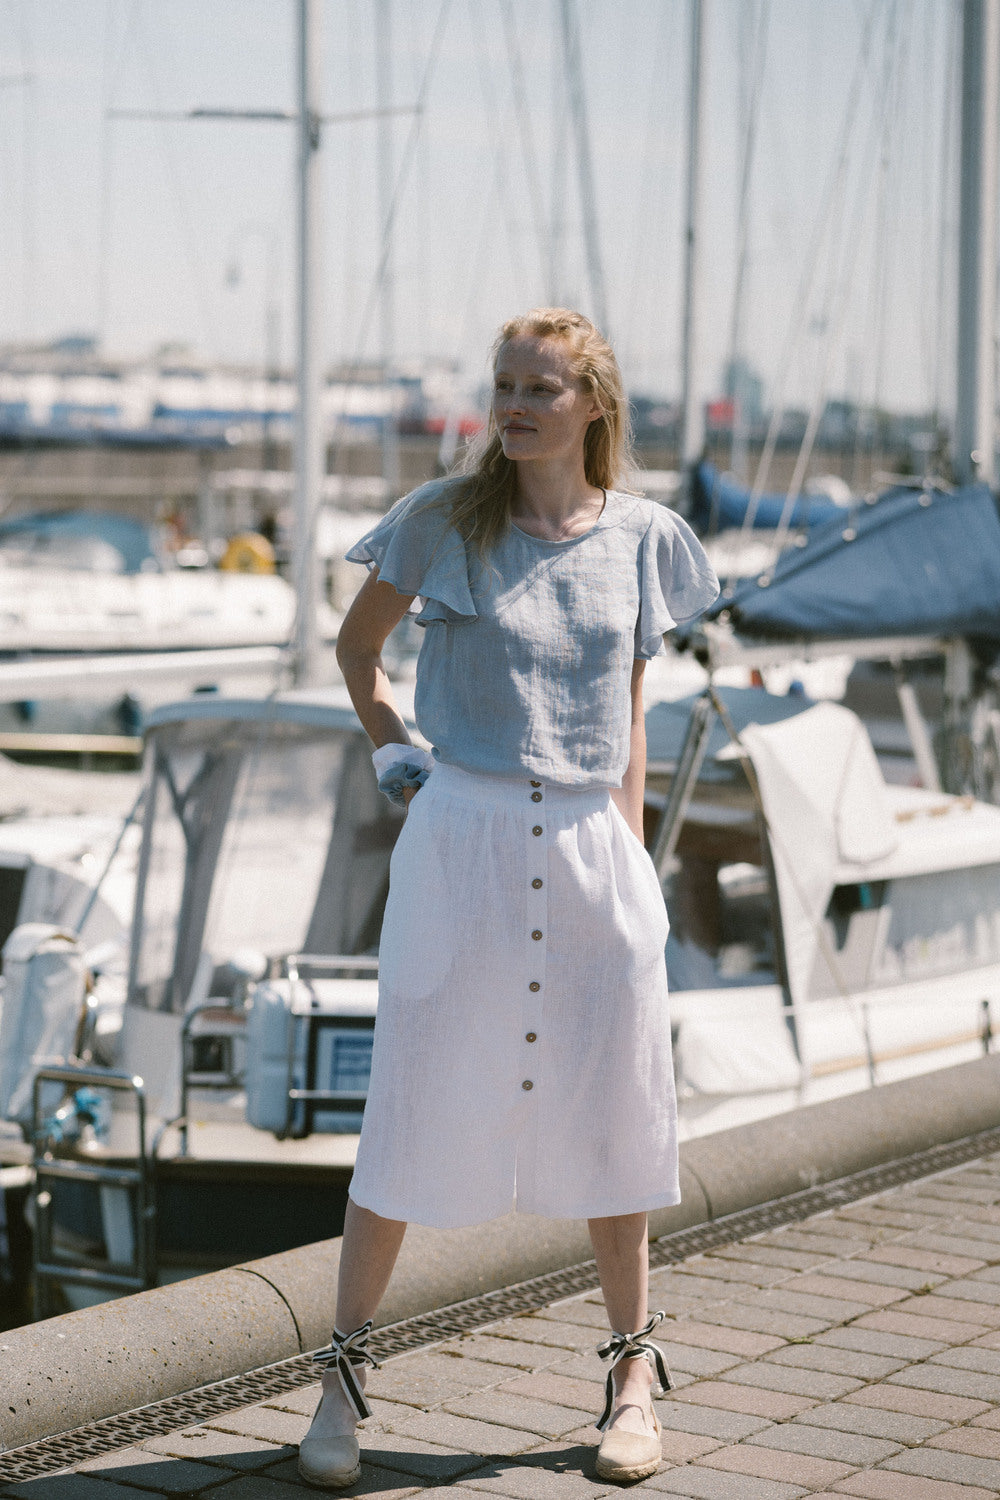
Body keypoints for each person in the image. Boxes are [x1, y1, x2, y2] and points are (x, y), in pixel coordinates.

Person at [298, 308, 720, 1489]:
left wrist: (632, 869)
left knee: (618, 1111)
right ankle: (339, 1374)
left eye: (542, 386)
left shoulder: (645, 538)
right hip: (461, 839)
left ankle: (632, 1374)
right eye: (504, 384)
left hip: (593, 843)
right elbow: (356, 653)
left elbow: (629, 719)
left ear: (593, 402)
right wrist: (393, 749)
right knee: (413, 1099)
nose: (517, 404)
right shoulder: (440, 521)